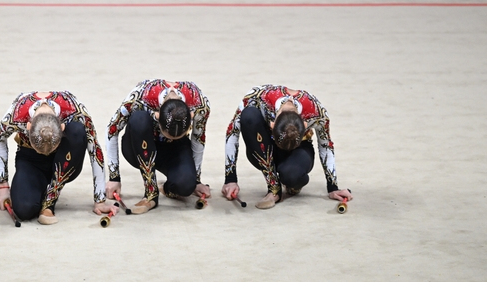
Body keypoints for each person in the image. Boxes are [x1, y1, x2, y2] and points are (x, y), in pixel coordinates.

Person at [0, 91, 118, 225]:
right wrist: (2, 185)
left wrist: (100, 200)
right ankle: (41, 185)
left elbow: (95, 149)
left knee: (77, 130)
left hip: (63, 159)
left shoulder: (74, 108)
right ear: (28, 127)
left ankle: (50, 200)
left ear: (62, 127)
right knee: (24, 210)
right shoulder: (17, 112)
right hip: (31, 159)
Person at [222, 85, 353, 209]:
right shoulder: (258, 96)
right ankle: (273, 187)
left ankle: (291, 181)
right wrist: (230, 179)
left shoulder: (316, 112)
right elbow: (232, 132)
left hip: (298, 150)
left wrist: (333, 187)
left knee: (292, 176)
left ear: (305, 124)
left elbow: (326, 145)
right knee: (249, 115)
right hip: (266, 148)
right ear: (272, 125)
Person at [105, 80, 211, 214]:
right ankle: (151, 193)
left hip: (172, 150)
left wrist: (196, 180)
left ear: (191, 116)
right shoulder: (140, 97)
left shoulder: (199, 104)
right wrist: (114, 177)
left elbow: (198, 139)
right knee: (139, 118)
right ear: (157, 116)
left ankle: (166, 187)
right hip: (139, 146)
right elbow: (111, 130)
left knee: (185, 187)